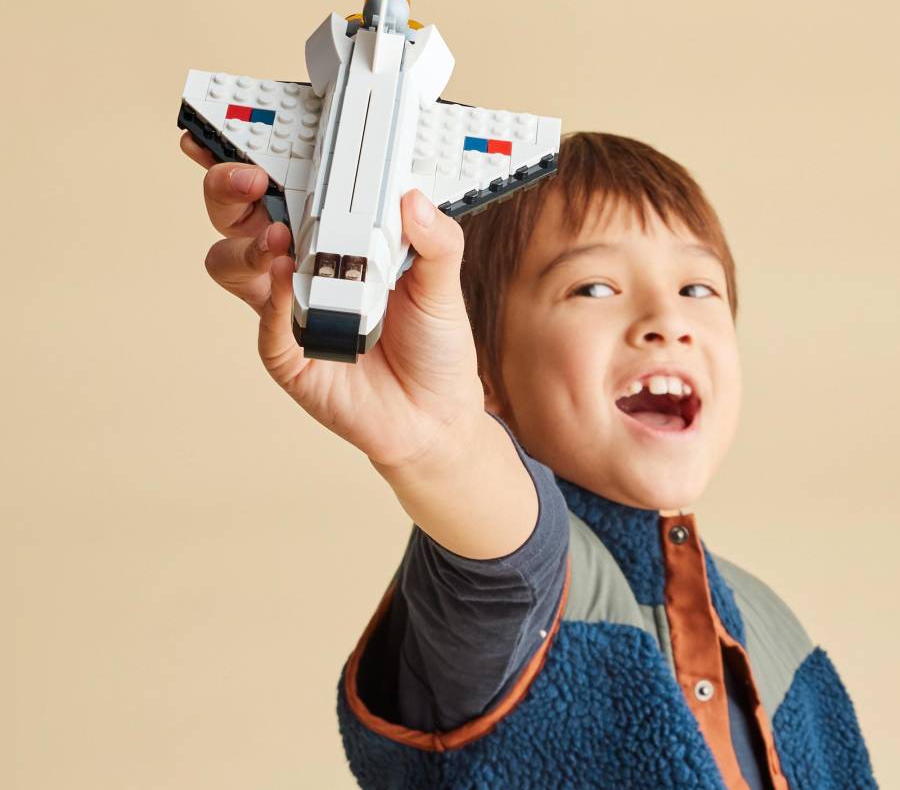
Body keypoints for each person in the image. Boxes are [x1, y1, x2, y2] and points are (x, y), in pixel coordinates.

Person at [180, 130, 876, 789]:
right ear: (481, 370)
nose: (668, 321)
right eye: (594, 288)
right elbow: (493, 516)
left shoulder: (772, 626)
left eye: (698, 289)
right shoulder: (511, 578)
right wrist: (436, 437)